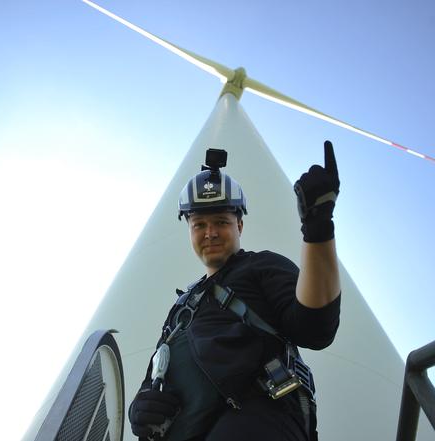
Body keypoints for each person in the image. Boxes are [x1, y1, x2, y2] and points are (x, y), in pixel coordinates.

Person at [129, 141, 342, 441]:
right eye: (199, 224)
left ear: (239, 225)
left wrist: (318, 229)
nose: (210, 232)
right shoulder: (181, 309)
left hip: (260, 418)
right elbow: (156, 375)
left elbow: (315, 327)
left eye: (221, 222)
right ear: (189, 230)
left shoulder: (262, 267)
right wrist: (139, 409)